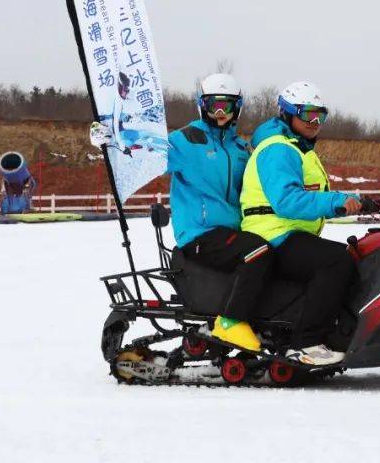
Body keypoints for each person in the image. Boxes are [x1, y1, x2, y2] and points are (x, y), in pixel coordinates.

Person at [92, 73, 268, 352]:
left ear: (238, 108)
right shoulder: (186, 141)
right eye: (214, 105)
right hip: (200, 234)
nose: (220, 113)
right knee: (257, 252)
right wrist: (113, 138)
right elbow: (143, 150)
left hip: (233, 234)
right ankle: (231, 321)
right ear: (202, 106)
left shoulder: (240, 149)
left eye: (227, 106)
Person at [240, 81, 371, 366]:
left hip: (288, 231)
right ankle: (307, 342)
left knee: (351, 257)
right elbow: (287, 201)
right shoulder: (278, 150)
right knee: (336, 261)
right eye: (307, 114)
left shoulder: (298, 149)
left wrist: (354, 203)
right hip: (271, 234)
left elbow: (313, 201)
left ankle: (339, 332)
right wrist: (338, 199)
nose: (315, 122)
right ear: (287, 113)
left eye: (320, 115)